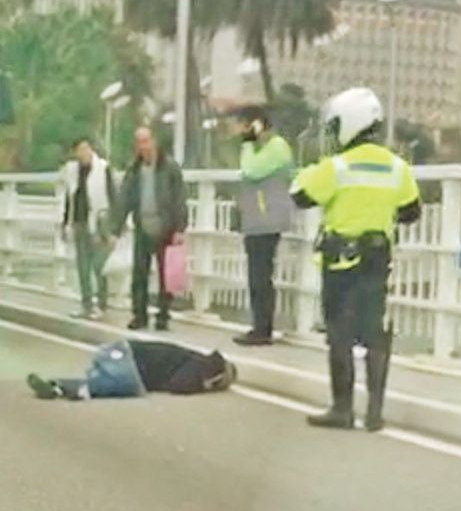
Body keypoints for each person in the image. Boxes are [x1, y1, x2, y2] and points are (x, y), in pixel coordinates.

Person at [292, 86, 421, 432]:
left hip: (341, 263)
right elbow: (411, 211)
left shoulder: (336, 167)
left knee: (340, 334)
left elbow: (300, 196)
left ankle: (342, 408)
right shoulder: (397, 167)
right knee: (374, 333)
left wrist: (312, 166)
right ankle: (375, 412)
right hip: (377, 260)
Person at [233, 107, 293, 345]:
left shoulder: (277, 147)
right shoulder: (267, 148)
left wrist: (247, 144)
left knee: (261, 276)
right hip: (257, 219)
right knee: (256, 276)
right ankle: (258, 325)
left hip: (267, 220)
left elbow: (251, 170)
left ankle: (262, 329)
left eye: (245, 125)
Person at [119, 125, 188, 332]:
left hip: (165, 226)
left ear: (154, 141)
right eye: (139, 142)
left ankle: (163, 315)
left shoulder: (170, 168)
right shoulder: (133, 170)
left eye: (146, 140)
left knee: (166, 275)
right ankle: (139, 314)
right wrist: (116, 226)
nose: (143, 146)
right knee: (139, 273)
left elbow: (179, 199)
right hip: (142, 225)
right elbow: (125, 199)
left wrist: (180, 227)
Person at [26, 334, 235, 401]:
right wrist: (204, 386)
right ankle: (64, 389)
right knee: (119, 385)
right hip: (129, 362)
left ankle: (57, 386)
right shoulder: (199, 366)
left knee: (100, 383)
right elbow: (178, 386)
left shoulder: (192, 357)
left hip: (118, 350)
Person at [60, 137, 116, 317]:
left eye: (86, 148)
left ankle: (102, 303)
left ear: (92, 149)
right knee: (82, 266)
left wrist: (114, 226)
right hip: (79, 221)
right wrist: (65, 223)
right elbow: (70, 199)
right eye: (79, 150)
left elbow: (113, 196)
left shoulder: (103, 168)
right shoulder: (72, 171)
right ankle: (86, 304)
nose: (83, 153)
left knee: (99, 265)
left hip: (99, 221)